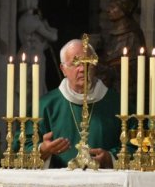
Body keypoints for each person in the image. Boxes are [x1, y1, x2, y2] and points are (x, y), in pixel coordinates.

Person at [36, 38, 120, 168]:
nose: (82, 69)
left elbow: (134, 144)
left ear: (95, 65)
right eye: (76, 63)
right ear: (63, 69)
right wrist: (42, 150)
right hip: (59, 183)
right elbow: (22, 144)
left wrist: (111, 158)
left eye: (87, 63)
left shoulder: (116, 103)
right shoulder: (46, 105)